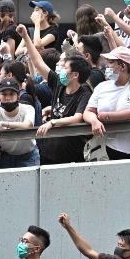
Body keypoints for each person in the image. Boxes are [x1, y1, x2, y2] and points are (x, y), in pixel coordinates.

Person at [19, 25, 92, 165]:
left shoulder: (84, 93)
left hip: (71, 156)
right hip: (49, 152)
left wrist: (53, 122)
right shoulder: (59, 83)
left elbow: (77, 118)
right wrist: (25, 37)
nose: (61, 71)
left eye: (65, 68)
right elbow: (38, 62)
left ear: (75, 75)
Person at [84, 46, 130, 160]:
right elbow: (88, 111)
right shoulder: (102, 87)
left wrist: (108, 116)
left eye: (111, 62)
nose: (107, 66)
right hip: (108, 149)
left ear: (123, 66)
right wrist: (94, 120)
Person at [0, 78, 39, 169]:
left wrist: (2, 124)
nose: (8, 98)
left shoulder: (28, 109)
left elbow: (27, 125)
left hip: (28, 157)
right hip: (6, 157)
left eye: (11, 94)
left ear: (18, 97)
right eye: (4, 94)